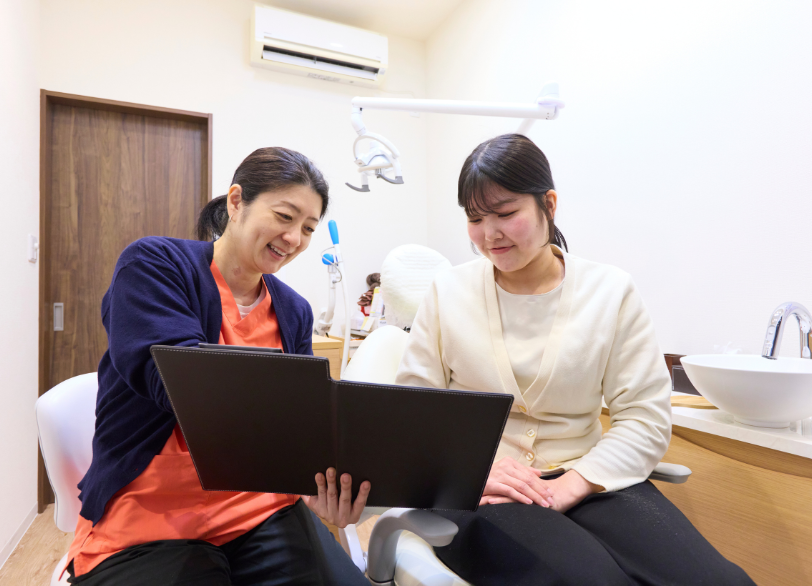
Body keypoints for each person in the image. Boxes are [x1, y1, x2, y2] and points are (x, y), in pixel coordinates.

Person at [395, 134, 754, 585]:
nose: (489, 234)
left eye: (506, 213)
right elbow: (411, 414)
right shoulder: (448, 292)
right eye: (475, 218)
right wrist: (473, 471)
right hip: (485, 489)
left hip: (589, 478)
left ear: (549, 203)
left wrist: (574, 484)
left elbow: (644, 417)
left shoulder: (610, 291)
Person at [65, 147, 371, 585]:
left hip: (260, 509)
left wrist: (319, 482)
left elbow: (302, 423)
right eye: (284, 216)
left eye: (308, 228)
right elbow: (180, 385)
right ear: (235, 201)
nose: (295, 238)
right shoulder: (155, 265)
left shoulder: (293, 311)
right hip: (151, 515)